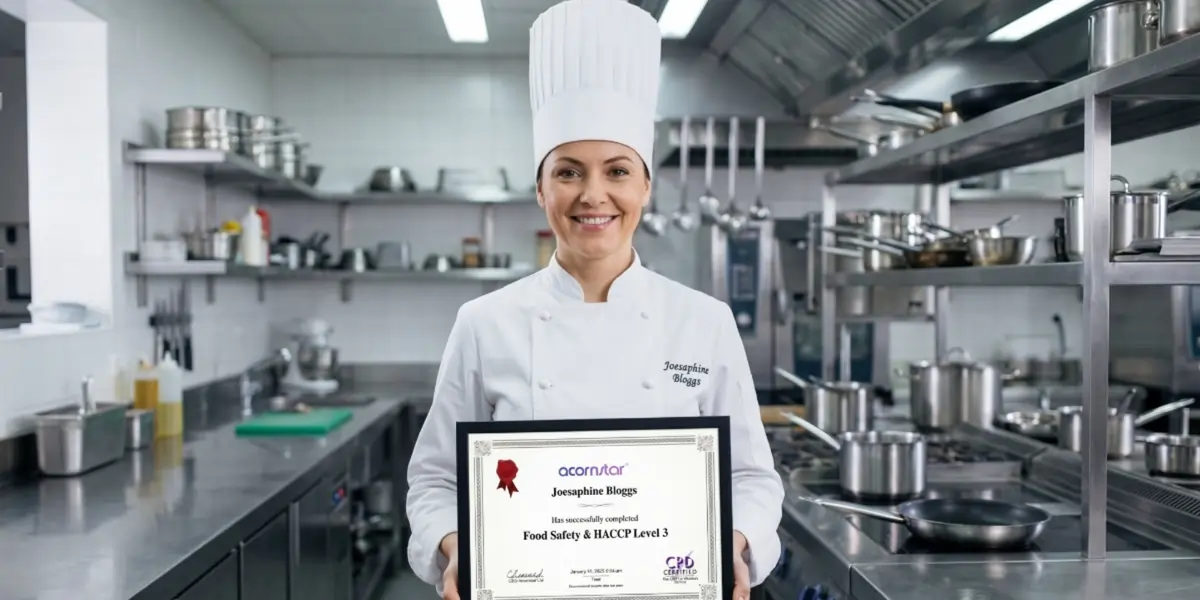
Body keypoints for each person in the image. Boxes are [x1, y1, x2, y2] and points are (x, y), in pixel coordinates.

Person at [405, 1, 784, 599]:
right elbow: (433, 481)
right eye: (569, 172)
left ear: (645, 188)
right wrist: (457, 548)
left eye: (616, 171)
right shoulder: (484, 323)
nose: (593, 195)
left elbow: (752, 480)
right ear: (540, 188)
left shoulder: (704, 323)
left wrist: (732, 543)